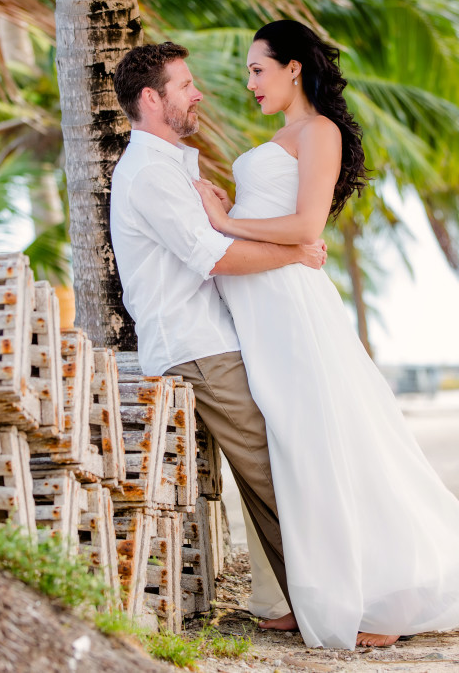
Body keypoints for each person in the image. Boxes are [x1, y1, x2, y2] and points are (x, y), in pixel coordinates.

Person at [191, 20, 459, 649]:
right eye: (248, 73)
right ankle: (314, 589)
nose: (250, 83)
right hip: (260, 308)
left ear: (294, 68)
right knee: (289, 451)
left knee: (321, 445)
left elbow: (307, 227)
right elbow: (278, 224)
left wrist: (220, 219)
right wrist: (231, 214)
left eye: (258, 69)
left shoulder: (320, 132)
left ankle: (377, 599)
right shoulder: (286, 135)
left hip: (290, 308)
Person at [108, 41, 327, 619]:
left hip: (210, 340)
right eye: (185, 85)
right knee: (276, 473)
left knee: (276, 468)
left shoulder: (168, 166)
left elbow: (211, 242)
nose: (198, 92)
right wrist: (297, 255)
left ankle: (296, 601)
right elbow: (215, 257)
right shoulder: (150, 173)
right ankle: (328, 603)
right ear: (152, 99)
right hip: (196, 347)